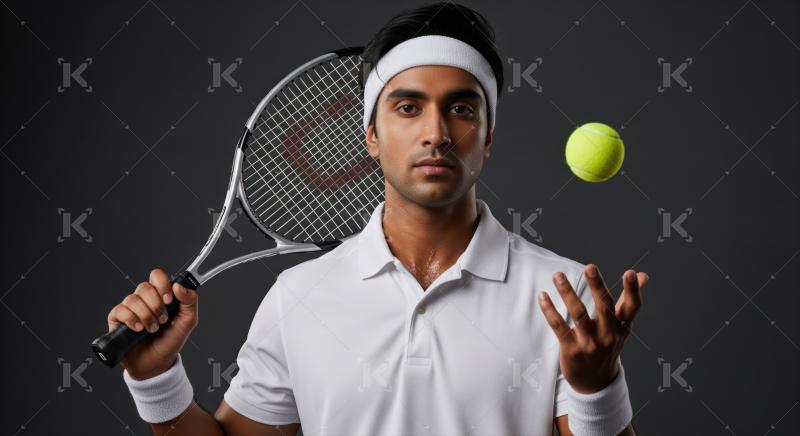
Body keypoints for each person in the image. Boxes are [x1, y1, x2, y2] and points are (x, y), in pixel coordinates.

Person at [109, 3, 649, 435]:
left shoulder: (564, 295)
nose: (435, 132)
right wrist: (157, 379)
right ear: (371, 134)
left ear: (487, 138)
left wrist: (595, 389)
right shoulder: (298, 297)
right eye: (408, 108)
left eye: (461, 108)